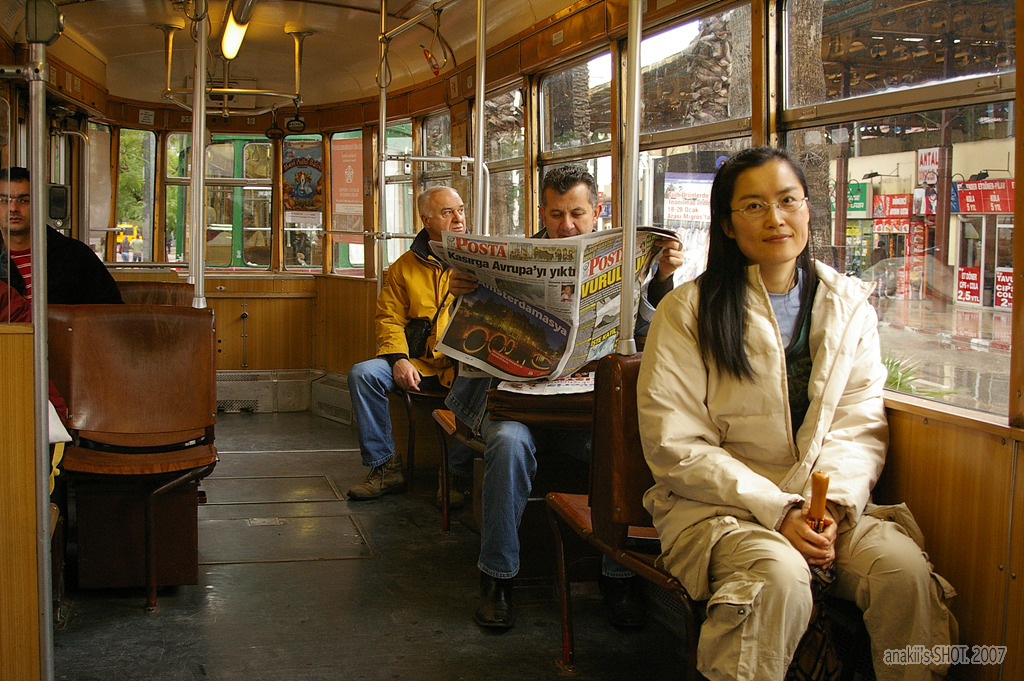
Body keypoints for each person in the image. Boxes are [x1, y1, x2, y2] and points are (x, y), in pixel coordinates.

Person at [636, 147, 957, 681]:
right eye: (754, 206)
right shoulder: (687, 311)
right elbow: (677, 445)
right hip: (719, 509)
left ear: (808, 208)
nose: (776, 218)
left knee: (902, 574)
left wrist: (830, 510)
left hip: (824, 510)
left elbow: (858, 426)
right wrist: (777, 509)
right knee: (777, 579)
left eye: (788, 201)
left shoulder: (847, 304)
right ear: (727, 225)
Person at [445, 164, 683, 631]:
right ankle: (497, 579)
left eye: (577, 214)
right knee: (508, 445)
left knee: (626, 444)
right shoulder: (510, 259)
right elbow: (472, 336)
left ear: (598, 212)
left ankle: (618, 576)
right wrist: (461, 292)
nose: (567, 226)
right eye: (556, 215)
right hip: (517, 404)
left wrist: (661, 281)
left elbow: (652, 334)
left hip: (582, 408)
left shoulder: (619, 261)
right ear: (542, 213)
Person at [346, 185, 468, 501]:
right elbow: (389, 319)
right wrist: (399, 358)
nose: (458, 219)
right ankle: (385, 467)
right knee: (363, 375)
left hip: (464, 365)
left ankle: (455, 474)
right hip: (421, 363)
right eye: (447, 212)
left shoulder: (478, 261)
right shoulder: (404, 267)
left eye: (461, 210)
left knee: (482, 382)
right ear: (426, 220)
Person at [0, 167, 123, 305]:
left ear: (39, 204)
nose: (13, 208)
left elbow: (111, 311)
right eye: (4, 200)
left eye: (24, 200)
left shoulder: (76, 256)